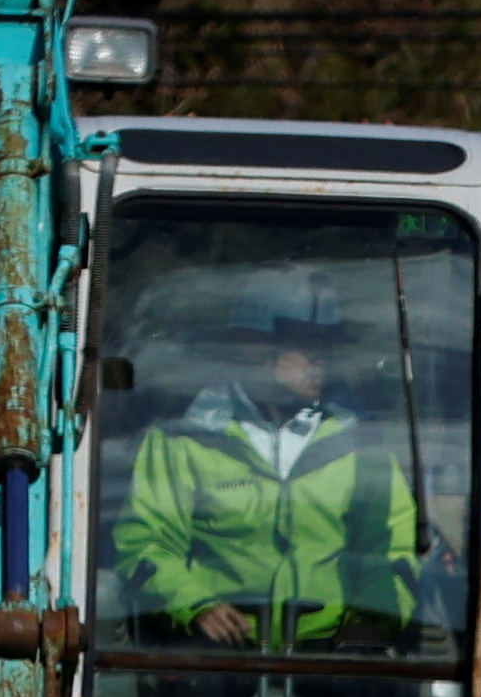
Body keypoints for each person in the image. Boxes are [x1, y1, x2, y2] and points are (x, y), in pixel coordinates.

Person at [110, 271, 427, 647]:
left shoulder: (360, 445)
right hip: (210, 665)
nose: (322, 360)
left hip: (335, 662)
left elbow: (390, 552)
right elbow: (145, 542)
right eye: (308, 344)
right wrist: (196, 606)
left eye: (328, 346)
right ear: (253, 345)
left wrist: (372, 624)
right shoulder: (181, 440)